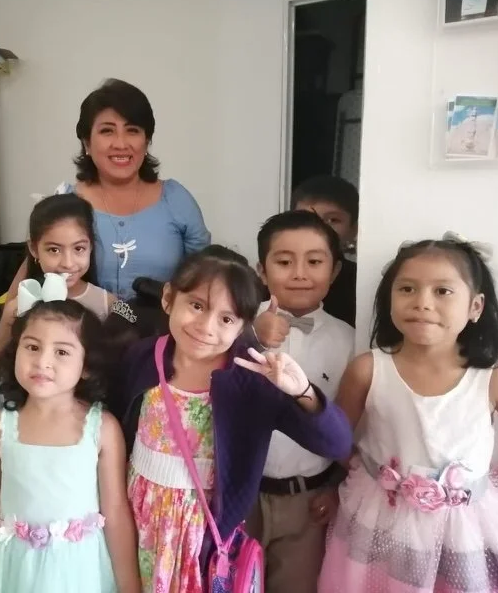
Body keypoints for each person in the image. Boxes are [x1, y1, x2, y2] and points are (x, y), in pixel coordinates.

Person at [112, 245, 354, 592]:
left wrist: (303, 392)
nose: (206, 327)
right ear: (168, 298)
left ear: (243, 325)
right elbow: (120, 425)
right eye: (197, 306)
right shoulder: (143, 355)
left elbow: (337, 443)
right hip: (139, 517)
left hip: (205, 533)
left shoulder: (252, 379)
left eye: (226, 319)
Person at [318, 233, 498, 592]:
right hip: (378, 520)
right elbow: (335, 439)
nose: (422, 302)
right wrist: (368, 474)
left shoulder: (493, 379)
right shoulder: (367, 369)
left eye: (443, 291)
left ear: (475, 307)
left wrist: (476, 489)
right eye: (407, 289)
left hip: (462, 533)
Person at [0, 297, 141, 593]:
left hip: (79, 572)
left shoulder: (102, 428)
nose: (42, 361)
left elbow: (116, 511)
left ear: (86, 366)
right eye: (32, 347)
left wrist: (130, 585)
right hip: (12, 570)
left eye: (61, 352)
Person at [5, 78, 211, 301]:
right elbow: (25, 288)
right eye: (107, 131)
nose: (121, 144)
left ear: (146, 141)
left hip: (161, 323)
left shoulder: (176, 199)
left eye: (132, 130)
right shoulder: (66, 202)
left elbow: (206, 281)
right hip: (78, 322)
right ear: (87, 143)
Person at [248, 210, 355, 593]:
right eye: (283, 262)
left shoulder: (349, 342)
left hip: (306, 499)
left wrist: (337, 486)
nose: (299, 273)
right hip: (242, 492)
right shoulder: (234, 325)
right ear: (261, 271)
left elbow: (349, 425)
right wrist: (250, 335)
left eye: (314, 261)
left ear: (335, 270)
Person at [0, 194, 115, 368]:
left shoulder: (108, 304)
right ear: (34, 249)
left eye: (79, 248)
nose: (68, 263)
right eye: (54, 250)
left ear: (91, 247)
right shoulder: (18, 307)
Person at [292, 175, 358, 327]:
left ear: (353, 230)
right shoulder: (270, 277)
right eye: (306, 218)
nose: (319, 228)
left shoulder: (361, 284)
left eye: (333, 220)